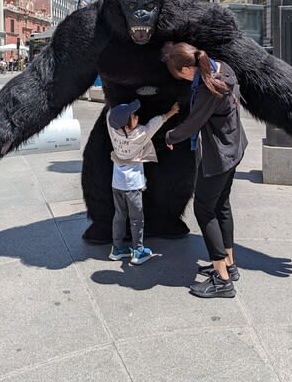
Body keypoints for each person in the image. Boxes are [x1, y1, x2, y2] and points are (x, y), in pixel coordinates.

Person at [161, 42, 248, 299]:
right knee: (221, 205)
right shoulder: (223, 68)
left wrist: (169, 136)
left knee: (204, 209)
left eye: (181, 76)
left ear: (188, 69)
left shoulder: (208, 89)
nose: (183, 80)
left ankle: (222, 280)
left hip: (219, 155)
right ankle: (229, 265)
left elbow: (192, 124)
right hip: (235, 147)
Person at [106, 98, 179, 265]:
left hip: (117, 184)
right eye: (133, 116)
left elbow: (110, 114)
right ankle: (138, 251)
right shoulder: (140, 134)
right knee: (136, 219)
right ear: (126, 126)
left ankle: (117, 249)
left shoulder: (113, 130)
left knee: (119, 216)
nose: (137, 116)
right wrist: (172, 111)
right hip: (133, 186)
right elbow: (156, 123)